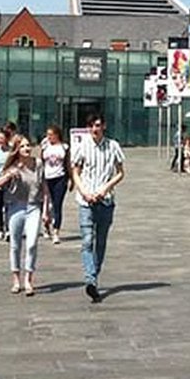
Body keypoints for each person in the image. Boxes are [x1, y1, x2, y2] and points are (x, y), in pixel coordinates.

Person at [71, 114, 125, 303]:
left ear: (104, 126)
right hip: (86, 200)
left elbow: (120, 173)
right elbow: (76, 172)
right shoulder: (82, 146)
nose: (95, 129)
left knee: (100, 241)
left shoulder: (113, 146)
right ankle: (90, 280)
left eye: (98, 125)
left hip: (105, 200)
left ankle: (93, 275)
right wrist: (84, 191)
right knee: (87, 240)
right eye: (92, 126)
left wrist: (106, 188)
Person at [0, 135, 46, 295]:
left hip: (34, 206)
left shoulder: (38, 164)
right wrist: (8, 175)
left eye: (28, 145)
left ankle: (28, 279)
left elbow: (44, 186)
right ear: (17, 150)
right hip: (15, 207)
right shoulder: (12, 167)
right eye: (22, 146)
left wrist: (47, 209)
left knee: (31, 244)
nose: (26, 149)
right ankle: (16, 278)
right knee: (15, 245)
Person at [40, 125, 68, 245]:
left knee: (57, 205)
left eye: (51, 134)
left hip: (60, 178)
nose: (49, 137)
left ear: (57, 135)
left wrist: (70, 179)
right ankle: (47, 225)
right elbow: (41, 161)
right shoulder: (45, 146)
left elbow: (68, 164)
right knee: (47, 205)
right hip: (47, 177)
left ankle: (56, 231)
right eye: (48, 134)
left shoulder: (64, 147)